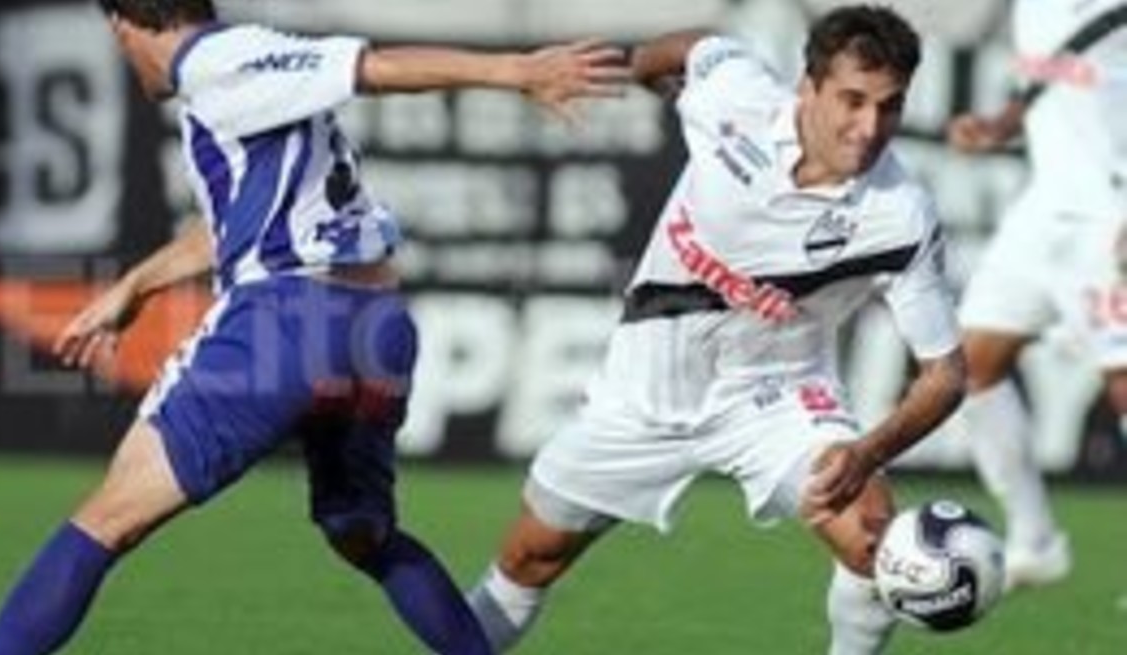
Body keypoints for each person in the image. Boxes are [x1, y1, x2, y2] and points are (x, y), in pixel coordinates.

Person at [0, 2, 628, 654]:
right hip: (375, 331)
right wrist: (136, 284)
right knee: (363, 534)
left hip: (288, 323)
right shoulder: (246, 90)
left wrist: (516, 71)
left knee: (106, 519)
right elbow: (231, 229)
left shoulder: (219, 61)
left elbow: (373, 67)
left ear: (126, 22)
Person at [465, 6, 966, 654]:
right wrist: (644, 68)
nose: (869, 128)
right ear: (807, 88)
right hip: (642, 393)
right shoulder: (735, 101)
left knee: (877, 546)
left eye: (890, 107)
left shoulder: (901, 216)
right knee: (529, 558)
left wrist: (866, 452)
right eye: (852, 100)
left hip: (777, 397)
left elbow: (946, 372)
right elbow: (698, 47)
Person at [947, 0, 1127, 590]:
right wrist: (1003, 124)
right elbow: (1053, 80)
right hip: (1043, 209)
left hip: (1110, 211)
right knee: (970, 368)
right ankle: (1034, 540)